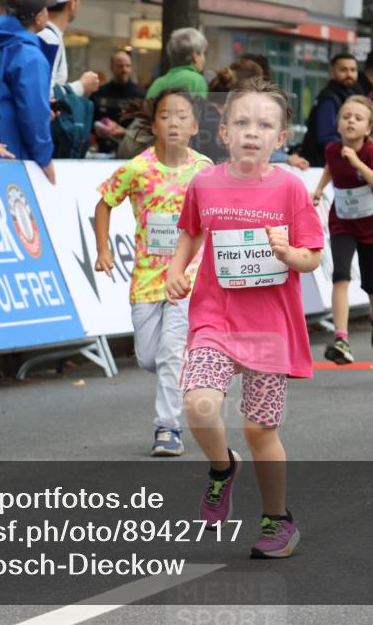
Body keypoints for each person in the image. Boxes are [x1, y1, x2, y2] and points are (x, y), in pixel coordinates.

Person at [165, 77, 324, 559]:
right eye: (242, 122)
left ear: (281, 138)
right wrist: (176, 269)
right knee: (198, 405)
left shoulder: (291, 189)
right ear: (224, 133)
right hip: (215, 317)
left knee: (260, 430)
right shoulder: (205, 182)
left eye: (264, 124)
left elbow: (312, 257)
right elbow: (191, 232)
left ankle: (278, 520)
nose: (252, 132)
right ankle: (221, 467)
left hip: (270, 326)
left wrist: (289, 252)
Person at [94, 89, 211, 457]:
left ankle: (167, 428)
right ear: (153, 125)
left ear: (194, 126)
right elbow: (104, 203)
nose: (173, 122)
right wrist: (103, 249)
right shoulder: (137, 168)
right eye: (165, 116)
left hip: (188, 278)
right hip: (146, 279)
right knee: (150, 356)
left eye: (181, 116)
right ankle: (182, 370)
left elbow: (219, 215)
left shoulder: (204, 169)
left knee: (171, 352)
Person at [310, 96, 373, 363]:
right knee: (341, 275)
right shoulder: (333, 150)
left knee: (370, 282)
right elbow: (330, 168)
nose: (350, 121)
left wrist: (357, 163)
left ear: (368, 129)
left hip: (370, 224)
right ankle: (341, 340)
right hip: (342, 221)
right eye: (346, 116)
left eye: (358, 118)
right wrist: (320, 188)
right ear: (338, 123)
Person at [0, 0, 57, 182]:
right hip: (12, 154)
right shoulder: (30, 55)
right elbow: (33, 113)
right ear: (39, 18)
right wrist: (44, 158)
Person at [39, 0, 99, 98]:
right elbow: (44, 94)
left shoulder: (43, 34)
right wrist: (81, 86)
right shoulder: (49, 39)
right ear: (72, 3)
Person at [300, 53, 360, 167]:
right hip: (322, 165)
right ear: (332, 72)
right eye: (343, 70)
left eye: (353, 70)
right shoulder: (329, 98)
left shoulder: (349, 94)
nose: (349, 74)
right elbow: (327, 137)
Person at [91, 51, 145, 153]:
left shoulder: (140, 95)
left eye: (128, 66)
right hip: (103, 151)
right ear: (111, 68)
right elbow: (91, 122)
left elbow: (144, 129)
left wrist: (124, 132)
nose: (124, 69)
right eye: (120, 66)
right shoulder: (99, 93)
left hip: (130, 150)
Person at [146, 27, 209, 99]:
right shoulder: (197, 81)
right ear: (195, 56)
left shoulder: (157, 83)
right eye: (202, 53)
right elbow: (200, 109)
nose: (204, 58)